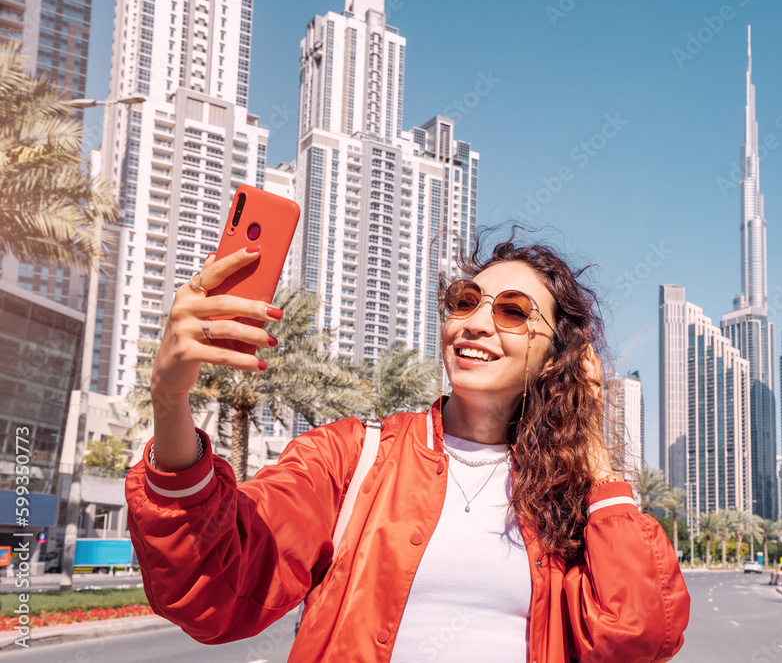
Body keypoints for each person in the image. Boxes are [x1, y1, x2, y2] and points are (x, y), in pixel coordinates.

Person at [125, 236, 691, 662]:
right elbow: (210, 585)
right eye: (464, 302)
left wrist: (591, 444)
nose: (474, 324)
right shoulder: (352, 459)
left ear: (555, 357)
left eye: (512, 312)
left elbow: (636, 636)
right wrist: (170, 399)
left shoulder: (571, 502)